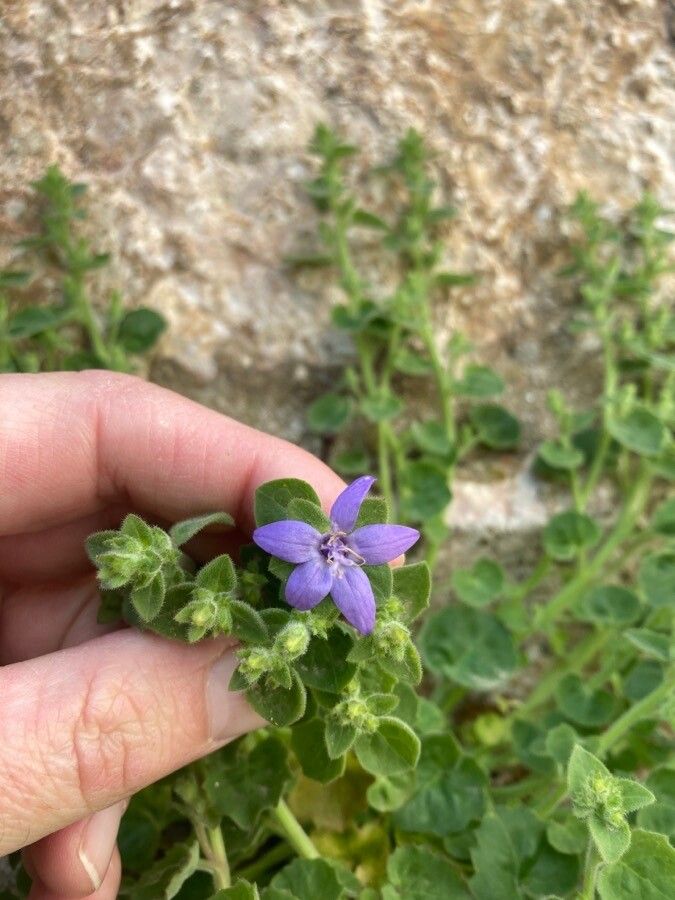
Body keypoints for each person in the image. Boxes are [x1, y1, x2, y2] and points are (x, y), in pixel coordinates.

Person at [0, 370, 345, 900]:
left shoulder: (340, 569)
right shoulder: (299, 556)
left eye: (342, 547)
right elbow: (284, 572)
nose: (336, 548)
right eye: (335, 544)